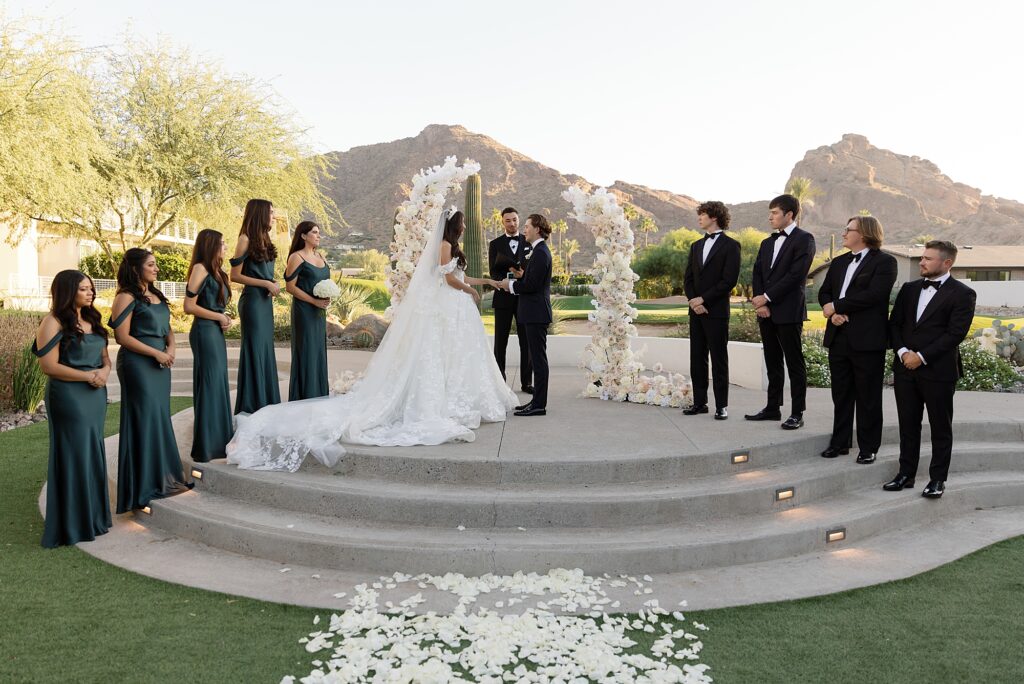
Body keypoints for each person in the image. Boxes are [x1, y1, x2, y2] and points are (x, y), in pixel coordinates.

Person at [226, 208, 516, 472]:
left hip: (456, 308)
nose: (465, 227)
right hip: (447, 303)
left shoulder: (453, 247)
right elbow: (446, 277)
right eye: (462, 223)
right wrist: (469, 290)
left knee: (459, 356)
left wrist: (486, 282)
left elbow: (457, 275)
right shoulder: (443, 246)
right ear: (454, 225)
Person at [883, 240, 976, 498]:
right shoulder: (910, 289)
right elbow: (895, 325)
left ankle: (937, 480)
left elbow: (954, 334)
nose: (921, 262)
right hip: (905, 369)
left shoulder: (963, 294)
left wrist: (921, 357)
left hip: (939, 372)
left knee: (940, 427)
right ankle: (906, 474)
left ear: (947, 263)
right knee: (908, 425)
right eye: (922, 257)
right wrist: (903, 353)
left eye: (928, 258)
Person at [34, 271, 112, 547]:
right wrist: (88, 376)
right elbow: (49, 366)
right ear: (68, 291)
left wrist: (104, 372)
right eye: (84, 289)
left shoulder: (93, 319)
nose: (90, 293)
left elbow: (105, 358)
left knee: (91, 451)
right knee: (74, 454)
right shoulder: (52, 322)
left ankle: (93, 517)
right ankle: (71, 524)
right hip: (68, 396)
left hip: (95, 396)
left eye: (91, 288)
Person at [110, 249, 192, 512]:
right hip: (138, 364)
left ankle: (165, 478)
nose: (156, 269)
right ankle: (143, 486)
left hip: (160, 363)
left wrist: (170, 350)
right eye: (151, 265)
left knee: (159, 417)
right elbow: (122, 338)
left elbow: (169, 331)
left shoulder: (157, 295)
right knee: (143, 419)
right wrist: (156, 353)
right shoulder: (125, 296)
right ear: (136, 269)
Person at [818, 216, 897, 463]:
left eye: (848, 230)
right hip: (838, 336)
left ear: (863, 234)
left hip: (867, 339)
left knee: (868, 396)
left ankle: (868, 447)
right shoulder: (840, 262)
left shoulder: (885, 262)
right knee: (841, 394)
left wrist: (837, 307)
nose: (843, 233)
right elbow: (824, 292)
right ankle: (840, 442)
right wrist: (832, 312)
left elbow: (874, 295)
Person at [745, 194, 816, 429]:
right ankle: (772, 408)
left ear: (789, 215)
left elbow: (796, 275)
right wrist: (761, 303)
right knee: (772, 361)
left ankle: (798, 413)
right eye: (770, 212)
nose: (770, 217)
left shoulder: (805, 239)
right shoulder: (767, 243)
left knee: (794, 363)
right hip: (765, 311)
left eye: (775, 213)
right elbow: (758, 273)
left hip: (788, 311)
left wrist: (766, 297)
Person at [682, 201, 741, 420]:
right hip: (695, 312)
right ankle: (700, 403)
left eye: (703, 214)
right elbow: (688, 278)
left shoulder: (731, 246)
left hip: (716, 311)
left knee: (719, 359)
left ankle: (721, 406)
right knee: (696, 358)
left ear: (714, 217)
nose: (699, 218)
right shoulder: (696, 246)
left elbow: (728, 281)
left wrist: (703, 299)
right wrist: (693, 301)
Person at [183, 229, 235, 462]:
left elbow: (216, 306)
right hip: (204, 332)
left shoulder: (217, 271)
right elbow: (189, 306)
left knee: (218, 383)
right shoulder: (200, 268)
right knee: (210, 383)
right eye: (222, 243)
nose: (225, 247)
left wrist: (224, 318)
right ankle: (206, 445)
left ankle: (219, 440)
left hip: (214, 331)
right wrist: (218, 317)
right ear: (211, 245)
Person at [230, 198, 281, 414]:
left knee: (265, 349)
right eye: (270, 212)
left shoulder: (265, 238)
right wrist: (265, 283)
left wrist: (273, 283)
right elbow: (235, 275)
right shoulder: (245, 239)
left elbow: (265, 273)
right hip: (252, 302)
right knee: (255, 350)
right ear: (260, 213)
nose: (274, 215)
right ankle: (253, 404)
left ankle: (267, 400)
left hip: (265, 301)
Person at [500, 214, 553, 417]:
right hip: (533, 313)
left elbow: (532, 286)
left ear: (537, 229)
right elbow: (532, 280)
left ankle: (539, 404)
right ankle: (536, 401)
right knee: (537, 359)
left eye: (528, 226)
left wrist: (510, 285)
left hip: (536, 313)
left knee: (538, 360)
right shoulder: (536, 251)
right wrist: (523, 276)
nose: (524, 229)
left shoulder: (539, 252)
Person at [284, 221, 331, 401]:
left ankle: (319, 394)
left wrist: (326, 297)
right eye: (314, 232)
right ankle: (304, 396)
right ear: (303, 236)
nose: (318, 236)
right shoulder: (297, 257)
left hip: (319, 312)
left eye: (319, 233)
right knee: (306, 351)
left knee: (318, 351)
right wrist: (313, 301)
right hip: (304, 311)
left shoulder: (321, 256)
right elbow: (290, 287)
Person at [488, 207, 533, 392]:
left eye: (514, 219)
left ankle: (527, 382)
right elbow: (493, 271)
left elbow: (533, 270)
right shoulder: (495, 244)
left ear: (518, 220)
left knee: (526, 342)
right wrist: (508, 277)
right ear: (502, 222)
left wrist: (523, 274)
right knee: (500, 342)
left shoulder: (529, 242)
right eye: (508, 220)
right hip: (503, 299)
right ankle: (500, 382)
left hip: (524, 299)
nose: (512, 223)